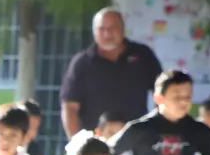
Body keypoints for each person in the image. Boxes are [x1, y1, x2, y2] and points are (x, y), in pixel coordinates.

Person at [60, 8, 165, 138]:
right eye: (101, 29)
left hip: (137, 141)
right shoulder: (82, 63)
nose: (107, 33)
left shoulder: (142, 55)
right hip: (96, 144)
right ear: (94, 32)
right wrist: (77, 144)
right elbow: (70, 107)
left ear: (122, 29)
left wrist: (154, 130)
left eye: (112, 28)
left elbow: (162, 94)